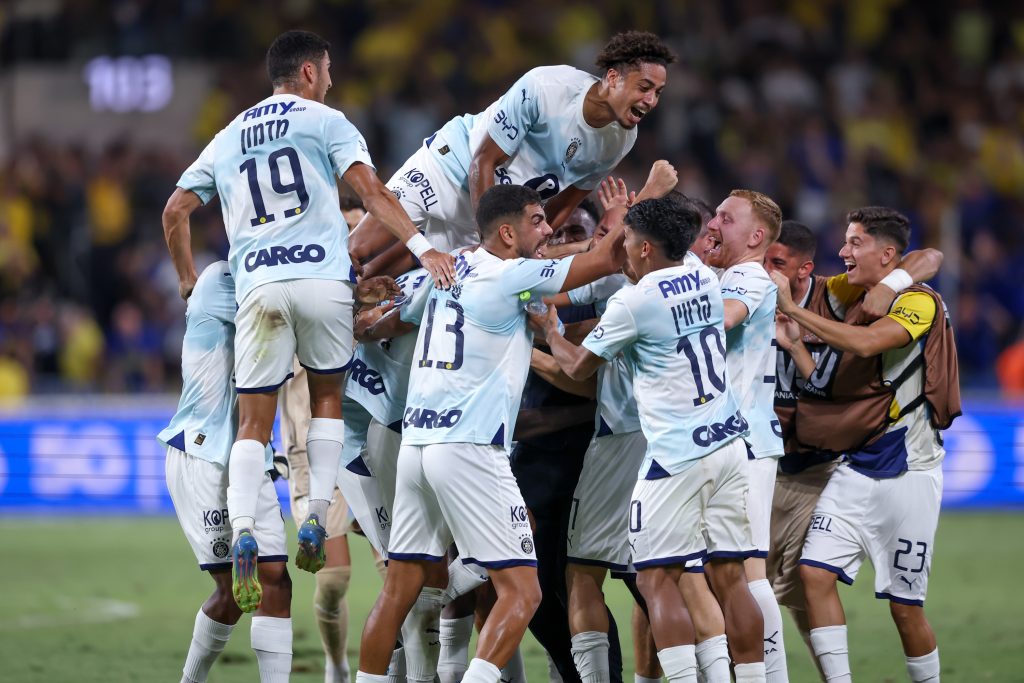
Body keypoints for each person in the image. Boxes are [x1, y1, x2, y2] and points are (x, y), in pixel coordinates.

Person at [162, 29, 455, 614]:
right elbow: (373, 194)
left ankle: (243, 528)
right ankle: (316, 516)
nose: (331, 80)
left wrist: (188, 279)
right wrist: (423, 248)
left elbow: (176, 211)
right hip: (324, 284)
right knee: (326, 403)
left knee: (255, 421)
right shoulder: (327, 121)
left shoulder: (228, 134)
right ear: (308, 73)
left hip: (259, 288)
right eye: (327, 70)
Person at [355, 184, 630, 683]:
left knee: (400, 589)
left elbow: (378, 324)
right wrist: (628, 205)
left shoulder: (447, 269)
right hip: (470, 448)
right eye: (538, 220)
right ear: (507, 232)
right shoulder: (512, 276)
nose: (547, 229)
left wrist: (368, 317)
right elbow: (607, 259)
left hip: (417, 446)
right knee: (523, 592)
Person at [540, 197, 767, 683]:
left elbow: (578, 367)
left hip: (673, 455)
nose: (618, 247)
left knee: (654, 577)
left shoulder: (634, 301)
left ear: (644, 247)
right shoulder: (703, 277)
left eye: (625, 239)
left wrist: (549, 332)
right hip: (727, 444)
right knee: (730, 577)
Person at [770, 207, 960, 683]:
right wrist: (796, 342)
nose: (843, 251)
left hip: (910, 471)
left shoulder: (919, 302)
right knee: (814, 575)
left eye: (855, 243)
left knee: (905, 609)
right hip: (855, 465)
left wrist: (794, 311)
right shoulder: (848, 292)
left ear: (887, 253)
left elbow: (870, 343)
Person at [349, 31, 676, 277]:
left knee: (416, 278)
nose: (651, 101)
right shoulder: (547, 87)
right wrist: (490, 240)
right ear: (614, 78)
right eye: (644, 87)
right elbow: (483, 161)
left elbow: (565, 202)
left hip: (494, 211)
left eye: (658, 93)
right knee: (357, 252)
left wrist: (534, 241)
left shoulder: (621, 140)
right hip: (449, 169)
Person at [159, 261, 293, 683]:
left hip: (249, 457)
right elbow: (282, 318)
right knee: (235, 589)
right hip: (205, 453)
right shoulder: (221, 279)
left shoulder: (274, 283)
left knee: (276, 580)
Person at [278, 196, 367, 683]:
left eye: (361, 230)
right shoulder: (296, 293)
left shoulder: (383, 291)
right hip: (313, 454)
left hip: (373, 446)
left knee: (403, 571)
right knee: (333, 580)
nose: (355, 241)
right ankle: (336, 664)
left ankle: (400, 667)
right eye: (345, 230)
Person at [705, 190, 789, 681]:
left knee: (749, 572)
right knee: (722, 572)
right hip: (729, 441)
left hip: (746, 442)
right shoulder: (725, 276)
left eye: (726, 218)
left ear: (757, 236)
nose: (713, 224)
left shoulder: (749, 277)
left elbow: (724, 318)